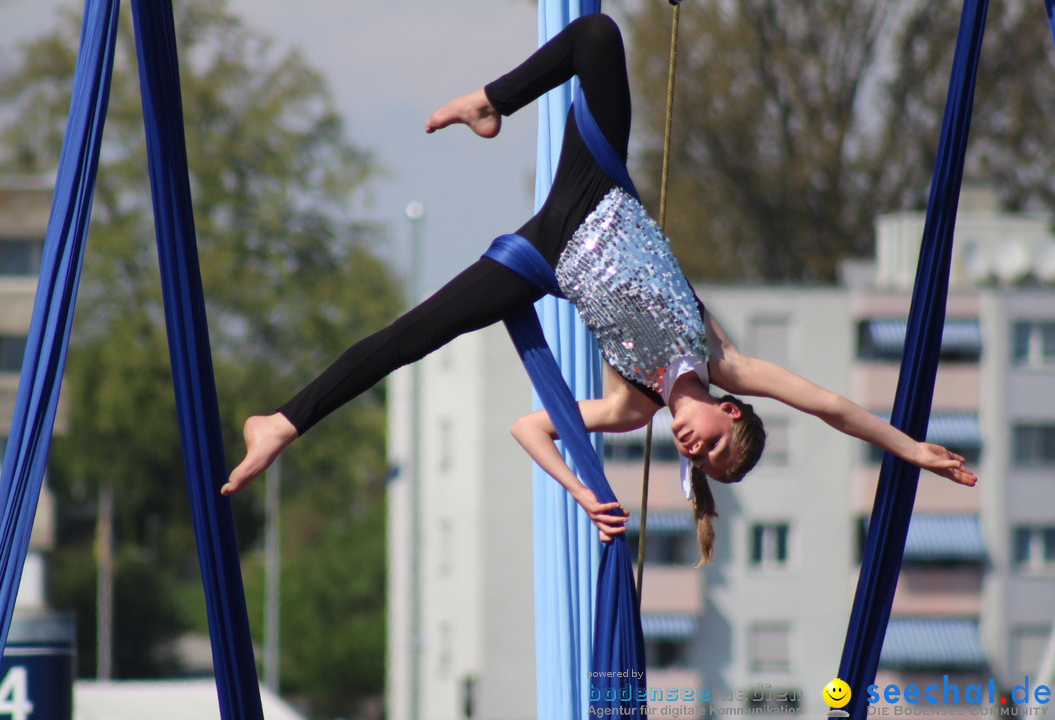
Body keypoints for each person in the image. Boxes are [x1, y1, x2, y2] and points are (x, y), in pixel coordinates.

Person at [222, 15, 976, 546]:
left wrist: (582, 491)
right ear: (732, 413)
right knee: (598, 36)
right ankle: (491, 102)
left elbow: (529, 425)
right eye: (713, 447)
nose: (694, 449)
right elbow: (834, 408)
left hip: (546, 260)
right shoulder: (724, 361)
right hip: (600, 191)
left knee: (411, 336)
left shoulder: (630, 407)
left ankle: (282, 423)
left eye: (700, 463)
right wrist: (908, 447)